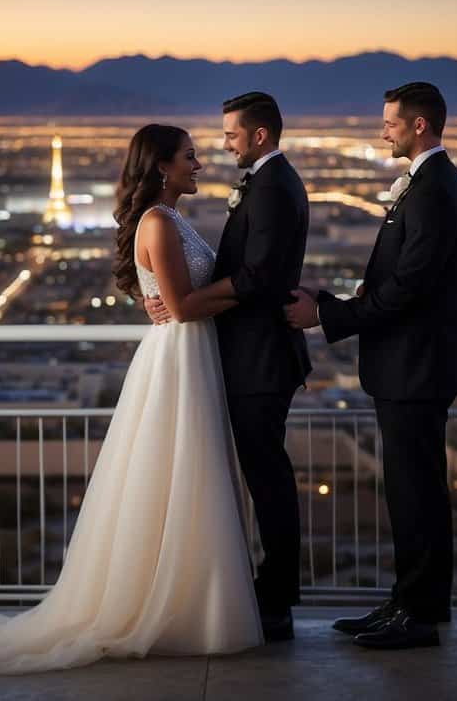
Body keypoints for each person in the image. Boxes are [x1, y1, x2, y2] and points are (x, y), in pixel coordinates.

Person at [0, 124, 262, 674]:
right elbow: (181, 306)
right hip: (180, 356)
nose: (199, 165)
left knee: (184, 476)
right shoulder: (158, 221)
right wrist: (247, 286)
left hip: (186, 355)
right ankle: (183, 606)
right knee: (182, 473)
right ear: (161, 167)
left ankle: (186, 603)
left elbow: (171, 300)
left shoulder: (168, 219)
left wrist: (200, 297)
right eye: (189, 157)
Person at [285, 82, 457, 649]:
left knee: (416, 491)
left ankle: (416, 615)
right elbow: (403, 279)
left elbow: (410, 288)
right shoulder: (429, 185)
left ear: (420, 125)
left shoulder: (436, 189)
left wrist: (327, 314)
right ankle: (409, 603)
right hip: (409, 366)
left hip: (415, 368)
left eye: (391, 121)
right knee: (411, 489)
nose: (383, 130)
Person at [147, 91, 310, 641]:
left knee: (267, 478)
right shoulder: (265, 184)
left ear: (259, 135)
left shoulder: (274, 187)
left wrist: (184, 303)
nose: (222, 146)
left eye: (231, 135)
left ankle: (278, 596)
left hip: (261, 359)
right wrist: (167, 298)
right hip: (243, 356)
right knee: (258, 476)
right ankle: (261, 589)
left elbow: (257, 275)